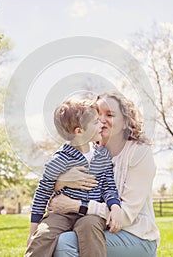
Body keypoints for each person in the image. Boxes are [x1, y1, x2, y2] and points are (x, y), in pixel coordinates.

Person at [49, 92, 161, 257]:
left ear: (125, 122)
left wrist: (77, 206)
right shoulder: (87, 151)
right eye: (97, 114)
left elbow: (124, 217)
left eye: (109, 115)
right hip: (94, 229)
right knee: (51, 238)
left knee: (66, 244)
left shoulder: (139, 153)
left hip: (136, 237)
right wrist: (60, 182)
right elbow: (55, 202)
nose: (101, 119)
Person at [24, 98, 122, 257]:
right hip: (60, 214)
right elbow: (42, 193)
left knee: (90, 227)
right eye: (96, 122)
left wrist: (115, 207)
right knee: (42, 236)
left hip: (91, 214)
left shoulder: (102, 155)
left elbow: (108, 187)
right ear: (79, 131)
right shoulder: (59, 160)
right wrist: (32, 231)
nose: (101, 125)